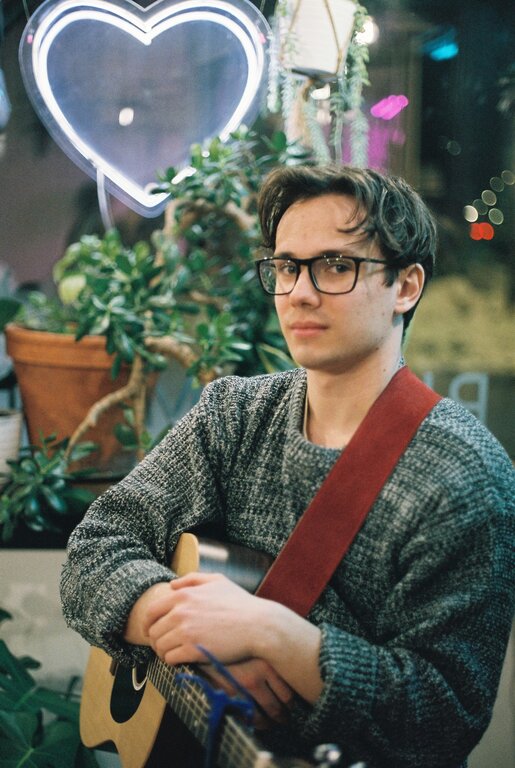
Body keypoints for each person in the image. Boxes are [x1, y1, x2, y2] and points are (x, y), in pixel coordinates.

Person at [61, 165, 515, 768]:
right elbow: (94, 547)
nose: (299, 292)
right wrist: (181, 624)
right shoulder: (233, 415)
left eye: (335, 266)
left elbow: (444, 718)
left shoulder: (464, 475)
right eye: (285, 267)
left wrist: (273, 635)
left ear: (406, 286)